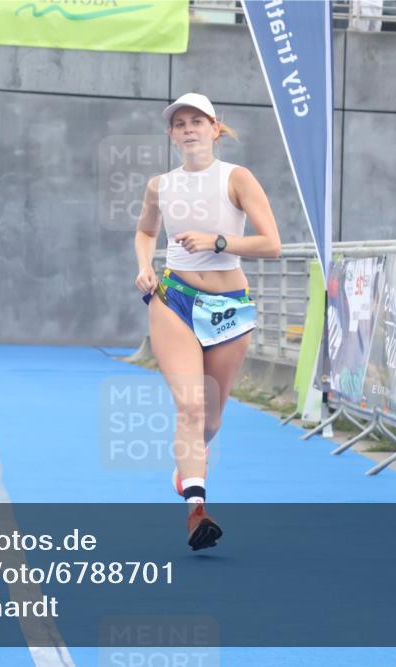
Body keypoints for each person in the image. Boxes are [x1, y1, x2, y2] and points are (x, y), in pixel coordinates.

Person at [133, 93, 281, 550]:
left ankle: (187, 466)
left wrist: (218, 242)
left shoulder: (236, 178)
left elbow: (271, 244)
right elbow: (145, 231)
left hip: (228, 307)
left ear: (216, 128)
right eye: (180, 124)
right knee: (191, 408)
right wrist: (144, 265)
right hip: (174, 299)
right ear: (171, 135)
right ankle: (197, 510)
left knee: (211, 418)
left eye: (198, 121)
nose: (189, 129)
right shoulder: (160, 184)